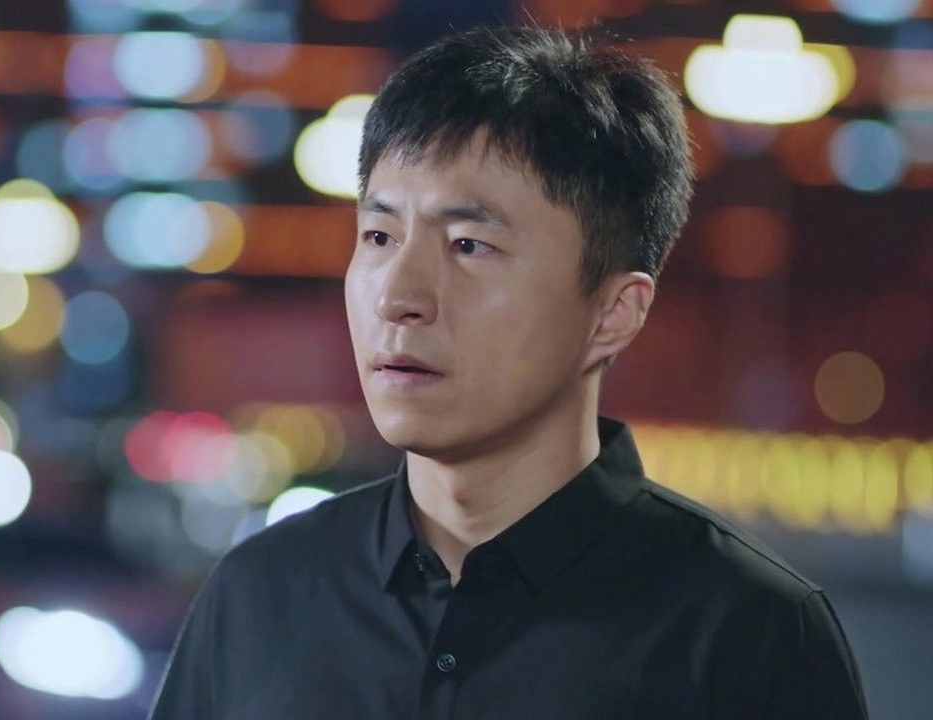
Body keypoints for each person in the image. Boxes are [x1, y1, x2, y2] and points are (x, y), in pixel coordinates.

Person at [149, 23, 869, 719]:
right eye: (379, 235)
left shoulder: (748, 634)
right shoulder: (260, 595)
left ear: (614, 312)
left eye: (469, 245)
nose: (398, 297)